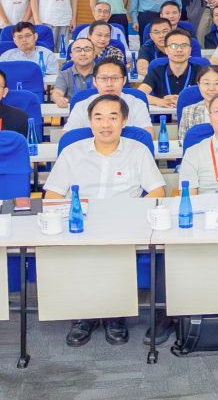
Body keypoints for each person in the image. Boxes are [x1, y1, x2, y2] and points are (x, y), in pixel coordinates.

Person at [46, 94, 166, 345]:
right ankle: (84, 316)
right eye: (98, 118)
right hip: (82, 223)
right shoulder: (72, 152)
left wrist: (133, 215)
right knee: (78, 250)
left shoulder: (138, 151)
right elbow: (53, 195)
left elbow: (157, 191)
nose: (105, 124)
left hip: (124, 224)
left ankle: (115, 315)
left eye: (113, 117)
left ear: (124, 121)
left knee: (116, 249)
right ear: (89, 122)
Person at [138, 29, 199, 108]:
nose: (179, 50)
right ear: (166, 50)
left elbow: (212, 95)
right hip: (163, 115)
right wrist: (160, 101)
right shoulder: (156, 71)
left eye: (184, 45)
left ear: (190, 50)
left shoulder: (201, 71)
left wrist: (184, 100)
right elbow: (139, 94)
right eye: (174, 46)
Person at [175, 65, 218, 133]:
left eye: (217, 83)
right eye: (206, 83)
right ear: (199, 85)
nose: (211, 88)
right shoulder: (189, 111)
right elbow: (183, 138)